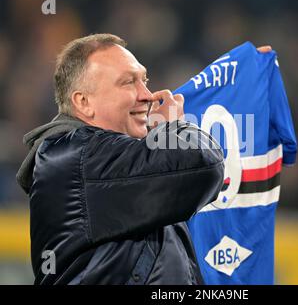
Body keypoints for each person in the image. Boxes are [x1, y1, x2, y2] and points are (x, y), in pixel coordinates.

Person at [16, 33, 226, 285]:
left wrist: (248, 73)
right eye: (128, 82)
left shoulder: (121, 164)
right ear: (83, 102)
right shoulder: (79, 157)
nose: (147, 94)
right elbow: (202, 165)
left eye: (144, 80)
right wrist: (174, 128)